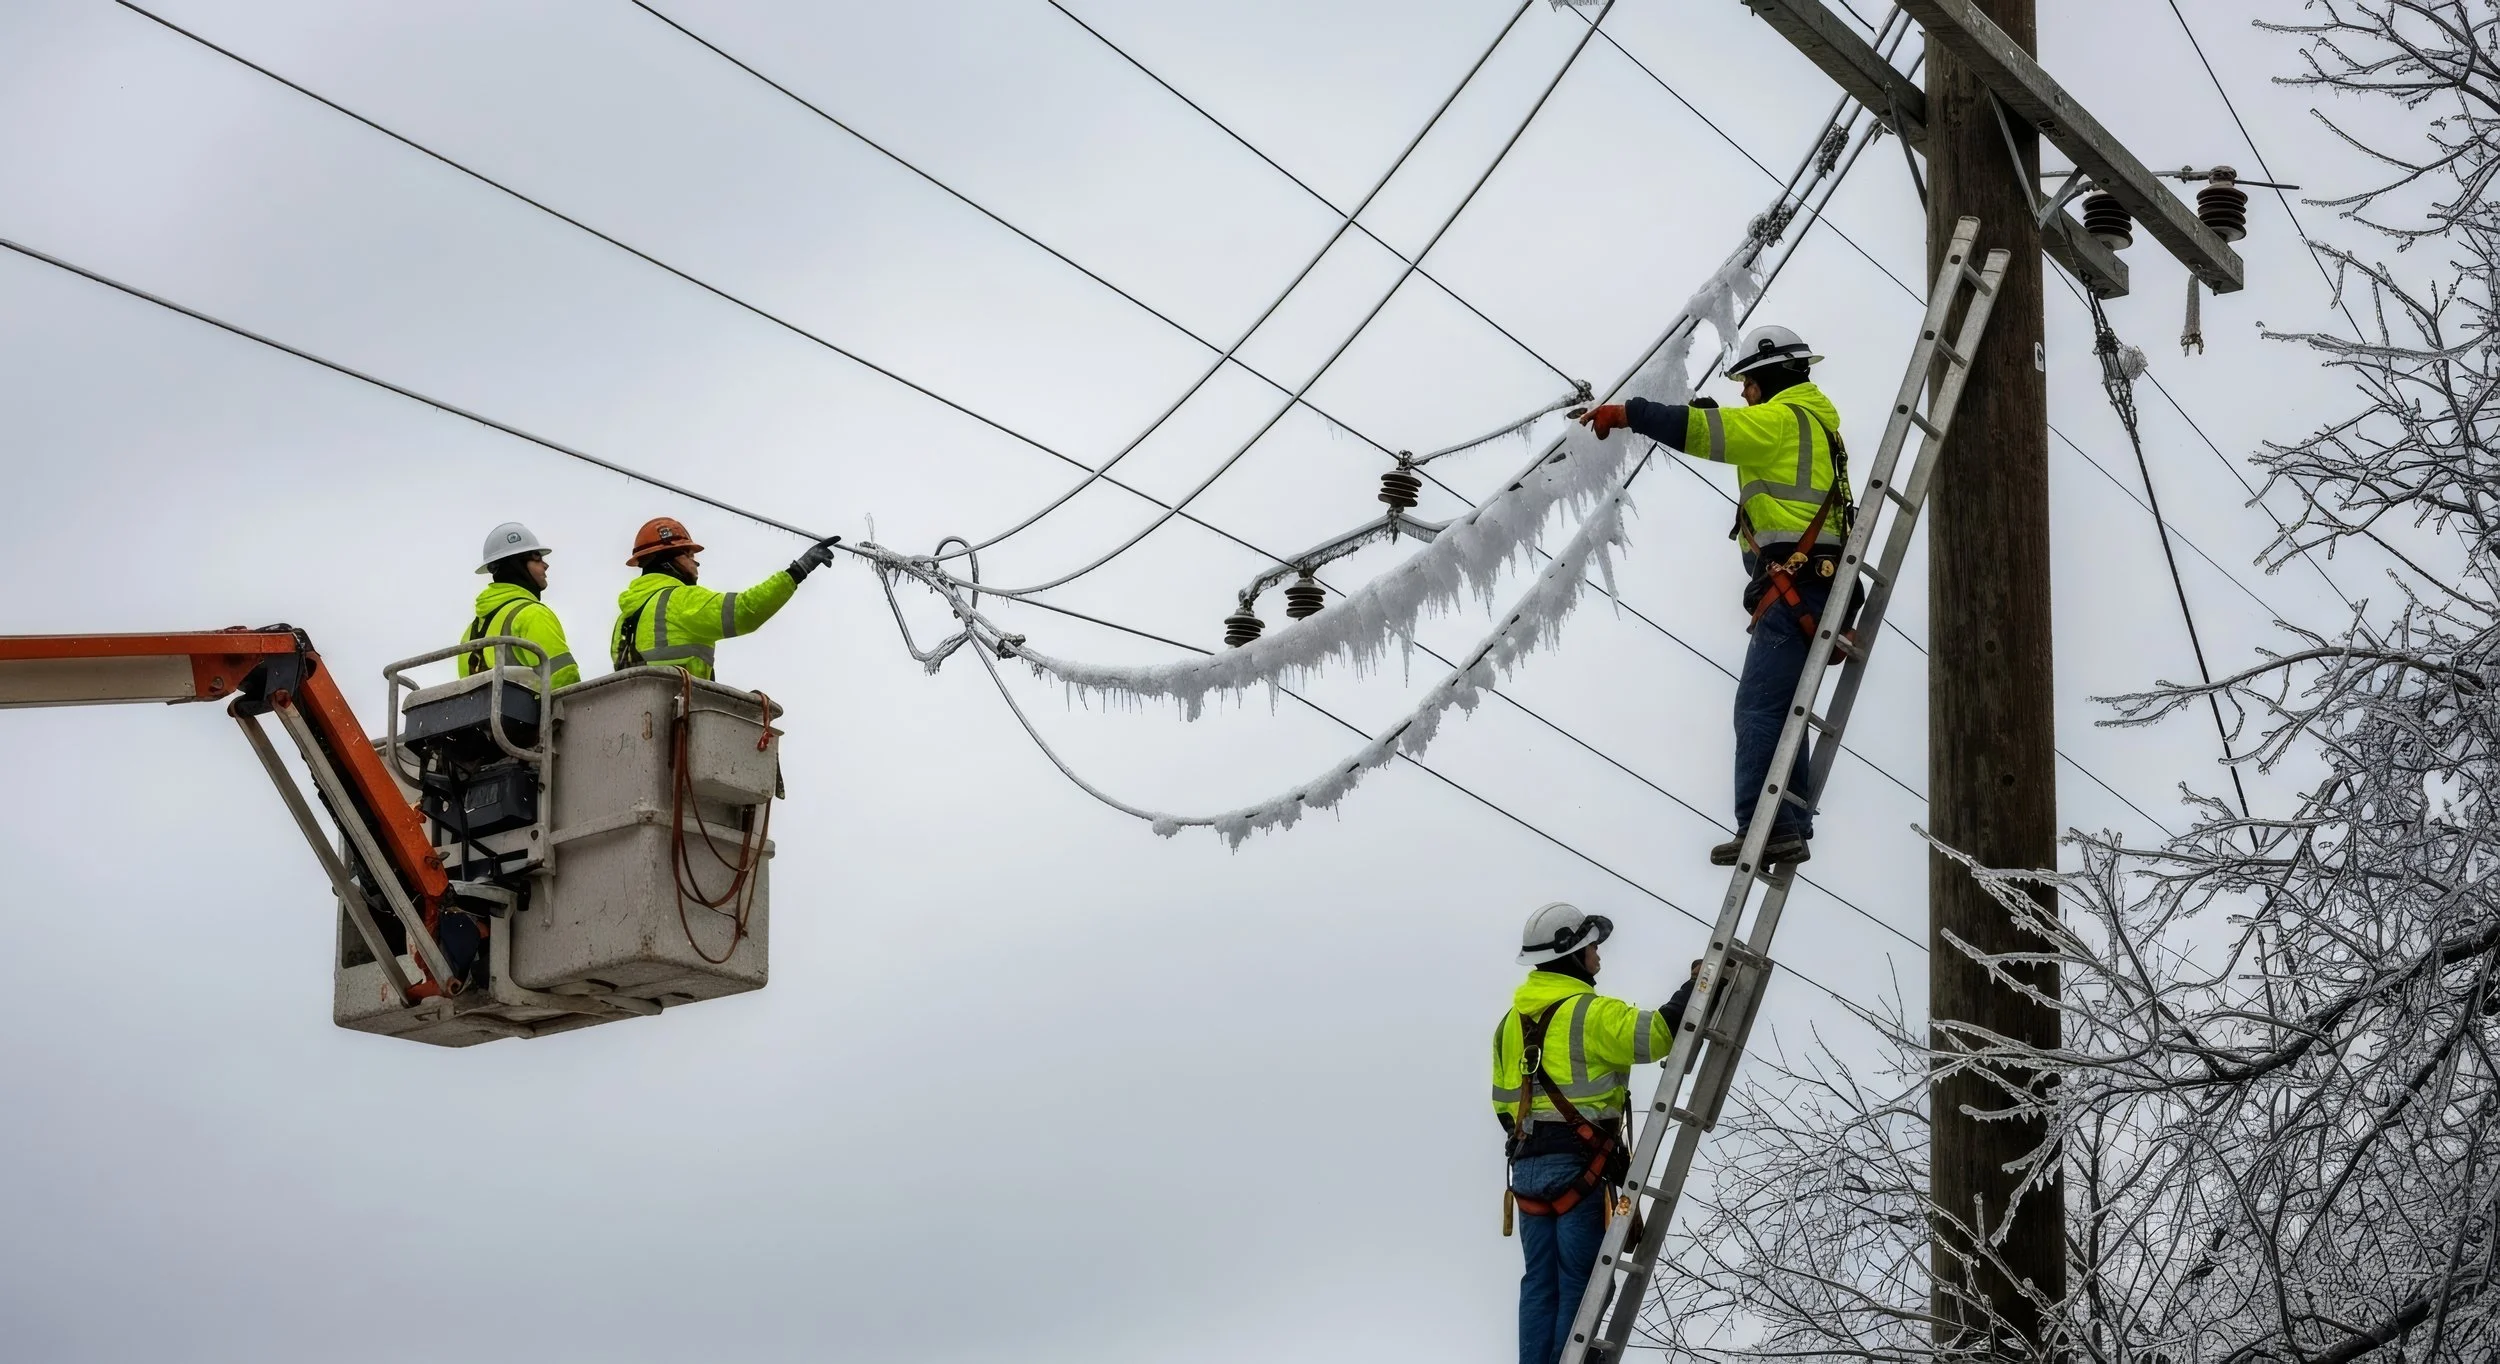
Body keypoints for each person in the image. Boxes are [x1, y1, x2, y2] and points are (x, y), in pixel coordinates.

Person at [1576, 325, 1850, 866]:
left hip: (1798, 583)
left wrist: (1628, 412)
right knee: (1784, 709)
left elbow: (1703, 434)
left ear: (1769, 376)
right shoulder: (1810, 423)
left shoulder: (1781, 420)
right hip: (1817, 584)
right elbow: (1743, 442)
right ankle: (1788, 821)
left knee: (1759, 709)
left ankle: (1764, 826)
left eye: (1747, 383)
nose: (1743, 393)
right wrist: (1713, 416)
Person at [1494, 902, 1696, 1364]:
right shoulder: (1591, 1013)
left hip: (1526, 1172)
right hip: (1580, 1170)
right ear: (1571, 956)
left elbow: (1503, 1104)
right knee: (1581, 1284)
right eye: (1591, 947)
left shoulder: (1509, 1023)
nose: (1598, 954)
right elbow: (1657, 1035)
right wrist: (1699, 985)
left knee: (1539, 1284)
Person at [611, 516, 837, 680]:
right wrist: (798, 571)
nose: (696, 564)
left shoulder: (625, 618)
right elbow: (746, 611)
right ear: (668, 560)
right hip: (681, 723)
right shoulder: (680, 601)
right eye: (689, 556)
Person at [459, 521, 580, 689]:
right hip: (534, 715)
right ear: (516, 565)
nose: (545, 564)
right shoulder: (532, 614)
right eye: (537, 557)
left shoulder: (470, 634)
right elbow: (564, 678)